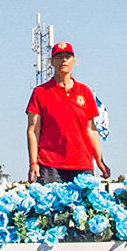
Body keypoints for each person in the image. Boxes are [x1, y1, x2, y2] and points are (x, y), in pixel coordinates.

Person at [26, 42, 111, 183]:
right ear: (52, 62)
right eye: (59, 57)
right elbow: (33, 130)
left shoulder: (85, 91)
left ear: (74, 60)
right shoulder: (40, 92)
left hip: (82, 165)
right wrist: (33, 163)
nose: (63, 60)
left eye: (67, 57)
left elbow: (91, 130)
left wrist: (99, 160)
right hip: (50, 166)